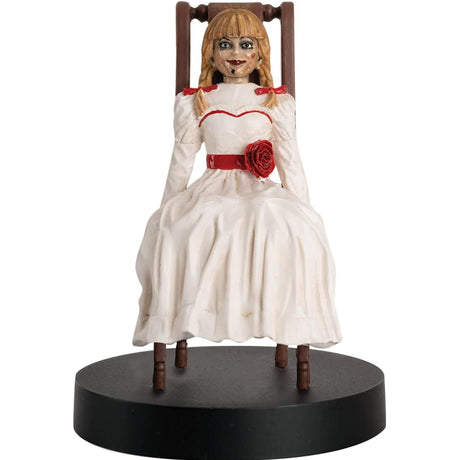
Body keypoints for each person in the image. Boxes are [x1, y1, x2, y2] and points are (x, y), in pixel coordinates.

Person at [133, 8, 341, 389]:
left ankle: (281, 319)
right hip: (211, 187)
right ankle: (186, 318)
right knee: (184, 227)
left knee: (281, 222)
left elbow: (290, 162)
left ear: (260, 52)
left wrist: (304, 208)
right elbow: (181, 161)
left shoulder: (274, 102)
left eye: (246, 44)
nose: (235, 54)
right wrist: (166, 208)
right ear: (210, 53)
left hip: (257, 189)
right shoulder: (198, 101)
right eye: (224, 44)